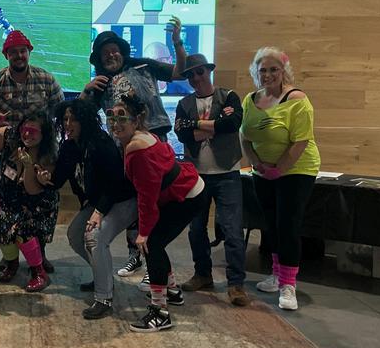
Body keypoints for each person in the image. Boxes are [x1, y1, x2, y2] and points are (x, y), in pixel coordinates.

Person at [82, 17, 187, 281]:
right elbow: (81, 115)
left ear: (121, 50)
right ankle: (136, 257)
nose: (111, 55)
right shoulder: (101, 83)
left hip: (154, 144)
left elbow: (179, 72)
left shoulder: (143, 65)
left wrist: (177, 42)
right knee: (135, 205)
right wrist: (85, 92)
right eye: (105, 53)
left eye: (114, 50)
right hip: (125, 152)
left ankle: (156, 267)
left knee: (155, 204)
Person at [109, 93, 206, 332]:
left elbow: (147, 196)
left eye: (122, 118)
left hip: (188, 195)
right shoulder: (141, 137)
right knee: (156, 243)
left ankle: (160, 313)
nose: (115, 123)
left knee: (151, 245)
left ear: (136, 121)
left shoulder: (138, 148)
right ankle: (171, 290)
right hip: (187, 191)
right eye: (111, 117)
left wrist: (143, 232)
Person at [240, 47, 320, 311]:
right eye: (263, 70)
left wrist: (280, 169)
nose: (268, 74)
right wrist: (255, 162)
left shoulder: (297, 100)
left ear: (283, 71)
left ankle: (289, 285)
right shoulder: (250, 100)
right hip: (263, 171)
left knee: (287, 225)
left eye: (273, 69)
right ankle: (277, 274)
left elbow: (301, 141)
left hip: (295, 171)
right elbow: (244, 136)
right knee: (271, 225)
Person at [46, 99, 137, 319]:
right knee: (75, 235)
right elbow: (57, 180)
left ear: (84, 120)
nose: (68, 124)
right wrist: (43, 176)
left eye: (73, 119)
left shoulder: (100, 143)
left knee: (94, 237)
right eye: (65, 119)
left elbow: (114, 184)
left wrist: (98, 212)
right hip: (97, 202)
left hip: (122, 200)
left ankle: (104, 297)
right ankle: (102, 276)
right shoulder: (69, 146)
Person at [0, 30, 64, 272]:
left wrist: (51, 146)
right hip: (8, 154)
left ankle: (39, 256)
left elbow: (61, 112)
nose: (18, 56)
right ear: (6, 55)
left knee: (38, 207)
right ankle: (10, 257)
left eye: (22, 51)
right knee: (7, 206)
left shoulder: (46, 79)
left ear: (29, 52)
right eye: (13, 52)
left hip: (41, 153)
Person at [174, 53, 250, 307]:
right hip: (196, 175)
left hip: (228, 173)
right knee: (196, 229)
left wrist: (197, 124)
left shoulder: (229, 96)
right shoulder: (184, 103)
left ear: (208, 71)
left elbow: (232, 124)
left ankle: (236, 284)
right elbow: (183, 134)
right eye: (190, 75)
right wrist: (215, 125)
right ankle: (203, 274)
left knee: (232, 230)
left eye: (200, 72)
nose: (196, 78)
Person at [0, 110, 59, 291]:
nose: (27, 134)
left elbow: (32, 190)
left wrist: (28, 166)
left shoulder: (48, 156)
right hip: (6, 198)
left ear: (44, 134)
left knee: (23, 231)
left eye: (33, 131)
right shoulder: (11, 137)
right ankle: (12, 263)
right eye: (25, 129)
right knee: (3, 232)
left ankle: (39, 272)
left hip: (34, 204)